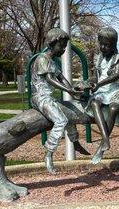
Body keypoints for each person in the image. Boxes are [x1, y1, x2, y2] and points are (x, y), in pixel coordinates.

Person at [31, 28, 89, 173]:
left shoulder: (52, 61)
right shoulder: (42, 59)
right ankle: (49, 154)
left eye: (64, 46)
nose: (63, 49)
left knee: (69, 113)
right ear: (52, 43)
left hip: (49, 98)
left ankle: (75, 141)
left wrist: (74, 92)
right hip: (40, 98)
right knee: (61, 120)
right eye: (61, 46)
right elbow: (50, 79)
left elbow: (61, 78)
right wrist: (68, 90)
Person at [88, 27, 119, 164]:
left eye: (107, 45)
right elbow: (95, 78)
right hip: (101, 91)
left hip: (114, 90)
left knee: (114, 109)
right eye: (101, 44)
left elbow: (116, 75)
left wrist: (99, 84)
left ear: (114, 45)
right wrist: (88, 83)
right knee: (94, 103)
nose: (103, 47)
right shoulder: (98, 58)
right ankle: (105, 138)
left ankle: (101, 148)